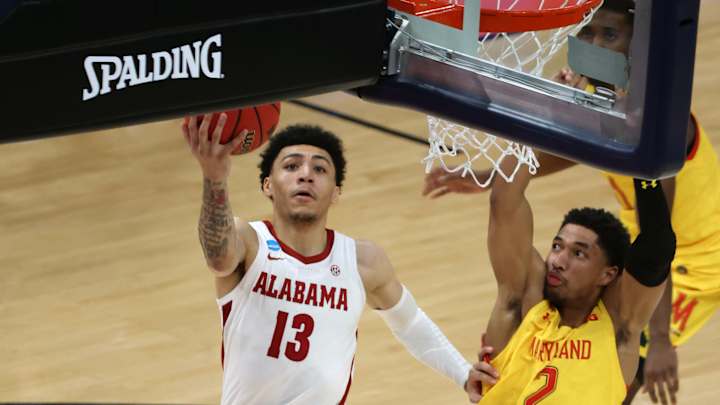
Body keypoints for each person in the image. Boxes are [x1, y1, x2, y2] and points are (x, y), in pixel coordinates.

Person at [425, 1, 720, 403]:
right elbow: (575, 152)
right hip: (642, 232)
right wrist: (491, 176)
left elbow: (657, 239)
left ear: (637, 47)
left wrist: (662, 340)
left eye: (609, 35)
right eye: (587, 33)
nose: (595, 45)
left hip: (701, 256)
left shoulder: (662, 122)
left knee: (628, 357)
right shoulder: (601, 99)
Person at [182, 115, 495, 404]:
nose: (306, 175)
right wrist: (214, 177)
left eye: (320, 169)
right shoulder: (249, 241)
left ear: (335, 192)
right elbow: (218, 259)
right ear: (268, 185)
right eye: (291, 166)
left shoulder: (361, 261)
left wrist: (463, 373)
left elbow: (410, 323)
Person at [465, 152, 675, 403]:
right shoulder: (522, 305)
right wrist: (527, 135)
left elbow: (656, 247)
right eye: (557, 246)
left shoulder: (617, 327)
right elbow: (504, 200)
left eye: (578, 253)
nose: (558, 261)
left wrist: (645, 166)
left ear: (607, 274)